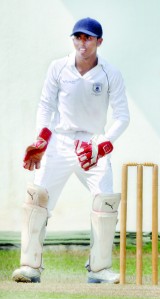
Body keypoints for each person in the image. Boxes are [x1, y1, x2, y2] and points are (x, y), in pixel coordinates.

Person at [12, 17, 130, 284]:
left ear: (99, 42)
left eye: (88, 38)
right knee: (37, 199)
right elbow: (45, 107)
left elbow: (122, 116)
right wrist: (42, 140)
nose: (82, 43)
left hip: (93, 144)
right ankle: (30, 267)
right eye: (78, 37)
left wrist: (102, 145)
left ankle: (98, 270)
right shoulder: (58, 68)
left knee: (105, 202)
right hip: (60, 141)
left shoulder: (111, 73)